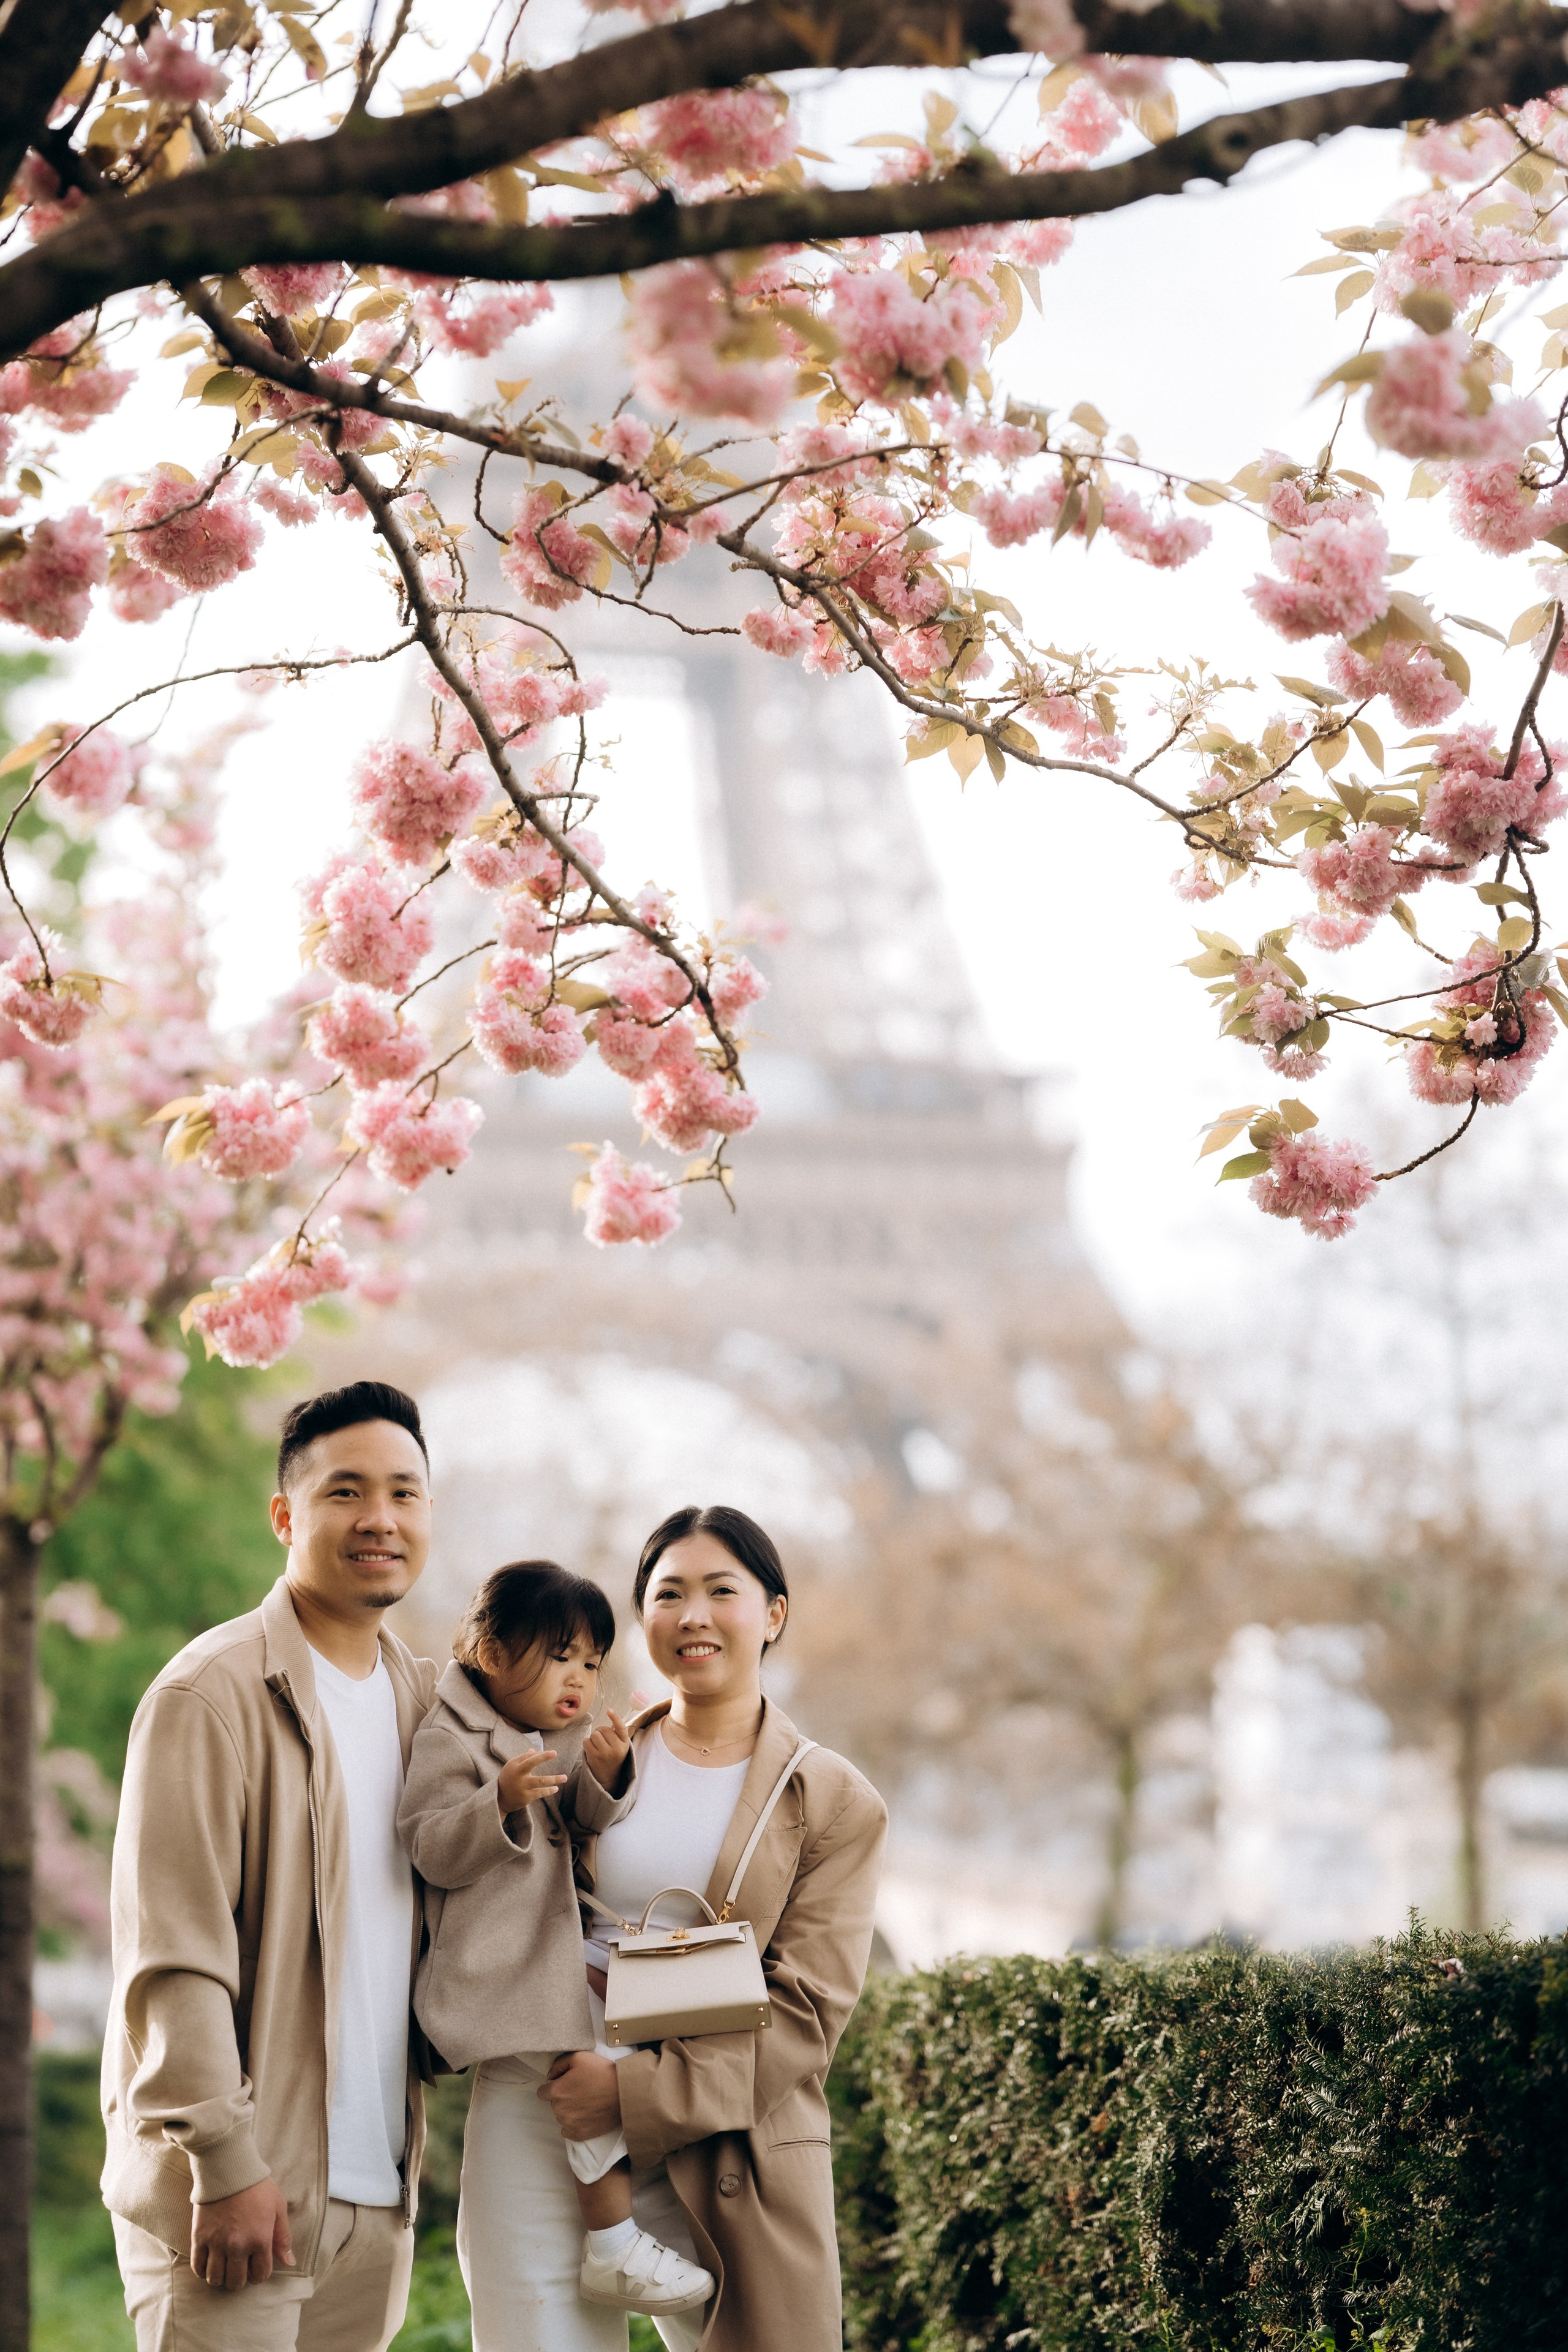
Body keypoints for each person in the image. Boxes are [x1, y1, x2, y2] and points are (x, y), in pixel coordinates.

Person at [458, 1503, 888, 2352]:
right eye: (668, 1594)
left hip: (717, 2142)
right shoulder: (577, 1760)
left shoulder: (833, 1801)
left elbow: (804, 2017)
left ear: (773, 1613)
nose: (692, 1615)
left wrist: (628, 2094)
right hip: (535, 2104)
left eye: (720, 1590)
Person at [101, 1378, 439, 2351]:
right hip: (239, 2201)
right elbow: (174, 1953)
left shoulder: (425, 1703)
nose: (380, 1518)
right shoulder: (209, 1695)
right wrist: (223, 2158)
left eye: (405, 1493)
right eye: (346, 1492)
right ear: (286, 1515)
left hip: (374, 2205)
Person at [399, 1559, 716, 2339]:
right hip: (505, 1975)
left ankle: (613, 2241)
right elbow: (429, 1847)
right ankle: (612, 2241)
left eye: (591, 1663)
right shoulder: (451, 1735)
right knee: (584, 2086)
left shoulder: (568, 1733)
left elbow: (579, 1829)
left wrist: (603, 1778)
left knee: (590, 2088)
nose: (578, 1679)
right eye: (559, 1656)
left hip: (557, 1975)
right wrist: (496, 1803)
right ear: (492, 1650)